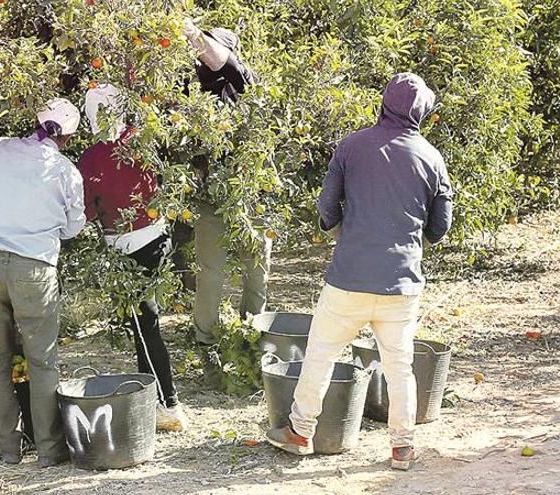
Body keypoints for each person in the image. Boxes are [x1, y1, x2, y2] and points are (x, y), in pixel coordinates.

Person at [265, 73, 454, 471]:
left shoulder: (351, 146)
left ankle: (300, 432)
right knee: (400, 364)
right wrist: (412, 241)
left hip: (349, 277)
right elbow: (440, 226)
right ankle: (402, 447)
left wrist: (339, 231)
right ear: (423, 113)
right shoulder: (431, 158)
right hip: (401, 282)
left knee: (320, 354)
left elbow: (327, 208)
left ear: (383, 104)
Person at [0, 97, 86, 467]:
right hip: (34, 269)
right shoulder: (66, 172)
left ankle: (7, 450)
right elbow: (73, 228)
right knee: (42, 362)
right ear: (68, 136)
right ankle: (50, 451)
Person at [77, 84, 189, 432]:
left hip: (129, 246)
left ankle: (167, 404)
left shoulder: (94, 156)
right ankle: (158, 400)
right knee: (145, 322)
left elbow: (86, 209)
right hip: (157, 238)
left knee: (144, 327)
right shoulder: (142, 140)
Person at [182, 18, 270, 386]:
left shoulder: (242, 81)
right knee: (211, 275)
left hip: (250, 194)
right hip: (208, 198)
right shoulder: (191, 90)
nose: (203, 59)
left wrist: (188, 31)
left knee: (257, 271)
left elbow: (221, 61)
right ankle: (209, 350)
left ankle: (252, 341)